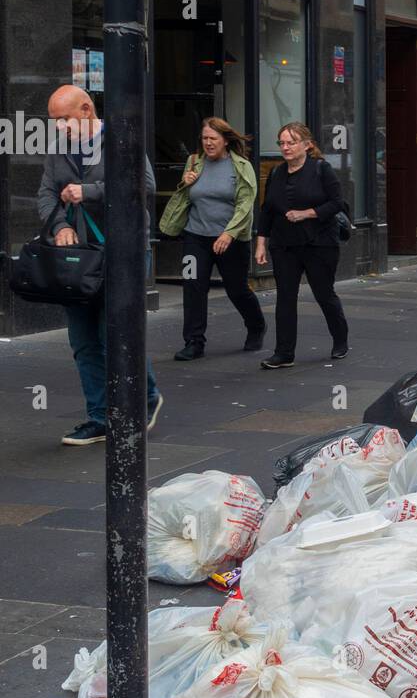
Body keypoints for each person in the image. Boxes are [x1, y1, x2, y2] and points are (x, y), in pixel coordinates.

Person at [38, 85, 163, 446]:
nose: (59, 128)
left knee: (118, 334)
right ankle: (99, 417)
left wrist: (87, 192)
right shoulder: (59, 150)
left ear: (87, 110)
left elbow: (146, 186)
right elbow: (46, 194)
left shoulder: (122, 138)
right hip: (78, 258)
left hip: (122, 252)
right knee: (83, 340)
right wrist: (60, 226)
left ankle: (147, 397)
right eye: (53, 121)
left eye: (64, 119)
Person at [159, 118, 266, 361]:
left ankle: (256, 325)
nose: (207, 143)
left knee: (237, 290)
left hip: (232, 239)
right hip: (195, 237)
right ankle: (194, 342)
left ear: (225, 141)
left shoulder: (241, 166)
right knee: (193, 287)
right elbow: (186, 198)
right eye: (204, 138)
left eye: (213, 139)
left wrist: (228, 234)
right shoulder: (194, 161)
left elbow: (245, 205)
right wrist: (184, 184)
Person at [254, 122, 349, 369]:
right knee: (285, 297)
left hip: (319, 244)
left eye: (291, 142)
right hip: (284, 245)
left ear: (307, 145)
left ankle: (340, 339)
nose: (285, 147)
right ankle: (284, 353)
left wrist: (307, 213)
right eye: (281, 143)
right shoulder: (275, 174)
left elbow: (337, 203)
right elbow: (267, 211)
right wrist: (261, 243)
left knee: (324, 294)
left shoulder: (321, 169)